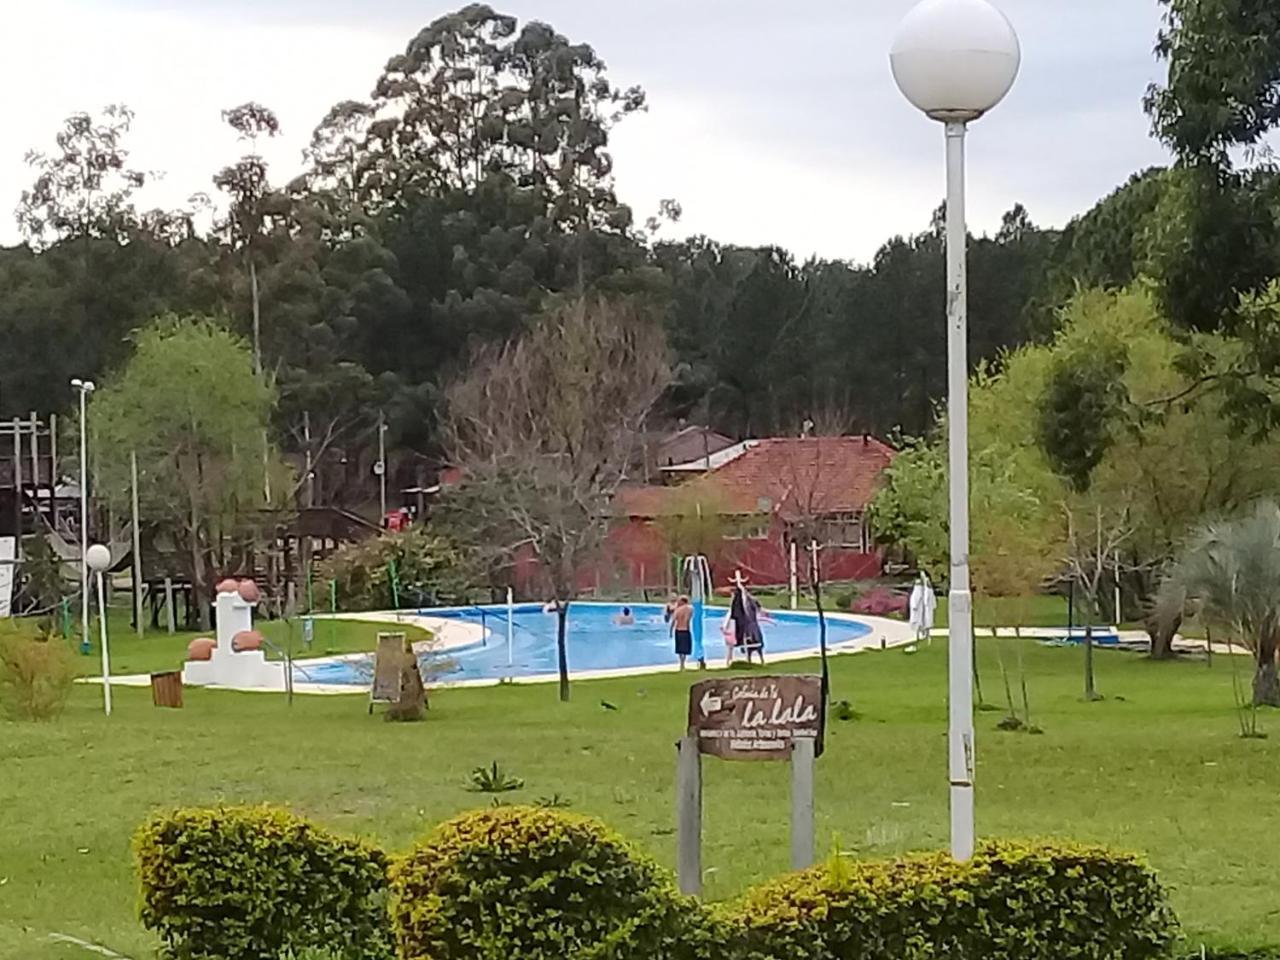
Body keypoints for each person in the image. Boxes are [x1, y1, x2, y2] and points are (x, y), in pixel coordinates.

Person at [670, 596, 695, 670]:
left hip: (678, 630)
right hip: (686, 630)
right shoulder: (690, 609)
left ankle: (681, 663)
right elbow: (688, 619)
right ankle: (683, 663)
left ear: (682, 601)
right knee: (685, 648)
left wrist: (671, 631)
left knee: (680, 648)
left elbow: (673, 621)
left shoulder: (677, 610)